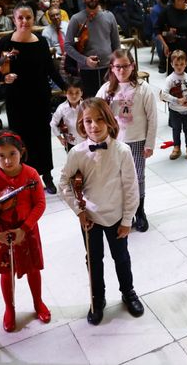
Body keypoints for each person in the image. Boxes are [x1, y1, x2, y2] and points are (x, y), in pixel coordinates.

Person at [60, 97, 145, 326]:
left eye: (99, 120)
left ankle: (128, 292)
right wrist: (79, 211)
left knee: (121, 257)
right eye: (88, 121)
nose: (94, 126)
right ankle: (97, 298)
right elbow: (64, 182)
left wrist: (127, 220)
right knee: (94, 259)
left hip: (116, 216)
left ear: (109, 121)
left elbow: (131, 187)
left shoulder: (122, 151)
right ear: (81, 124)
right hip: (90, 218)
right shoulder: (76, 153)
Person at [0, 130, 50, 333]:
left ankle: (38, 302)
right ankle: (10, 308)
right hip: (3, 233)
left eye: (12, 154)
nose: (7, 161)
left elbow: (40, 204)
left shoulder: (31, 174)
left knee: (33, 268)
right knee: (7, 273)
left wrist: (25, 228)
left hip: (27, 230)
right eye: (1, 156)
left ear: (21, 152)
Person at [0, 3, 66, 194]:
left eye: (28, 17)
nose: (24, 21)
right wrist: (2, 77)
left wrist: (65, 87)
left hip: (39, 97)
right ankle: (24, 178)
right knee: (19, 139)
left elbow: (50, 69)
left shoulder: (41, 41)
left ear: (33, 19)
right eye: (20, 18)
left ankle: (46, 175)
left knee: (42, 137)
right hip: (16, 98)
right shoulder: (5, 42)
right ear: (14, 20)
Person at [96, 49, 157, 232]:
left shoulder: (143, 88)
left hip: (137, 140)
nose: (121, 70)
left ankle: (140, 212)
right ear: (112, 68)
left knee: (138, 177)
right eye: (118, 67)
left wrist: (149, 143)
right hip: (115, 143)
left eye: (125, 66)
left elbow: (152, 117)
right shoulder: (106, 89)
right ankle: (123, 213)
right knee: (118, 178)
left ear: (133, 66)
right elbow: (95, 111)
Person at [64, 0, 121, 98]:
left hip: (108, 68)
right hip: (87, 70)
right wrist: (85, 60)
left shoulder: (109, 16)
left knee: (110, 100)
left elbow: (116, 44)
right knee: (91, 102)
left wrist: (116, 65)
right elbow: (67, 46)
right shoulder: (76, 19)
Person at [160, 50, 187, 161]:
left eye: (181, 64)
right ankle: (176, 147)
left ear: (186, 63)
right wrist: (177, 100)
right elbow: (164, 95)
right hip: (175, 110)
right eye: (176, 64)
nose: (179, 67)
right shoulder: (169, 79)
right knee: (176, 129)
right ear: (171, 64)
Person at [50, 77, 85, 152]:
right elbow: (53, 123)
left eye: (77, 92)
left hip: (86, 141)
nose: (74, 96)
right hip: (70, 142)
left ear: (81, 93)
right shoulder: (62, 108)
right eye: (70, 93)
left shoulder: (86, 106)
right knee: (72, 158)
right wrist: (60, 138)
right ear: (65, 93)